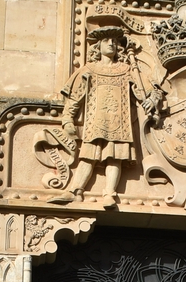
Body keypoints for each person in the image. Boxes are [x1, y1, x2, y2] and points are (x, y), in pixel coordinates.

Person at [48, 26, 162, 208]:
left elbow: (150, 92)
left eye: (115, 42)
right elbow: (75, 96)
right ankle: (74, 191)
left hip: (120, 122)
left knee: (115, 156)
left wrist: (152, 101)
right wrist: (67, 118)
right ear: (98, 46)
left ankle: (109, 193)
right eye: (107, 41)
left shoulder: (127, 70)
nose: (111, 44)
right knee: (87, 156)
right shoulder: (89, 70)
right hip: (95, 122)